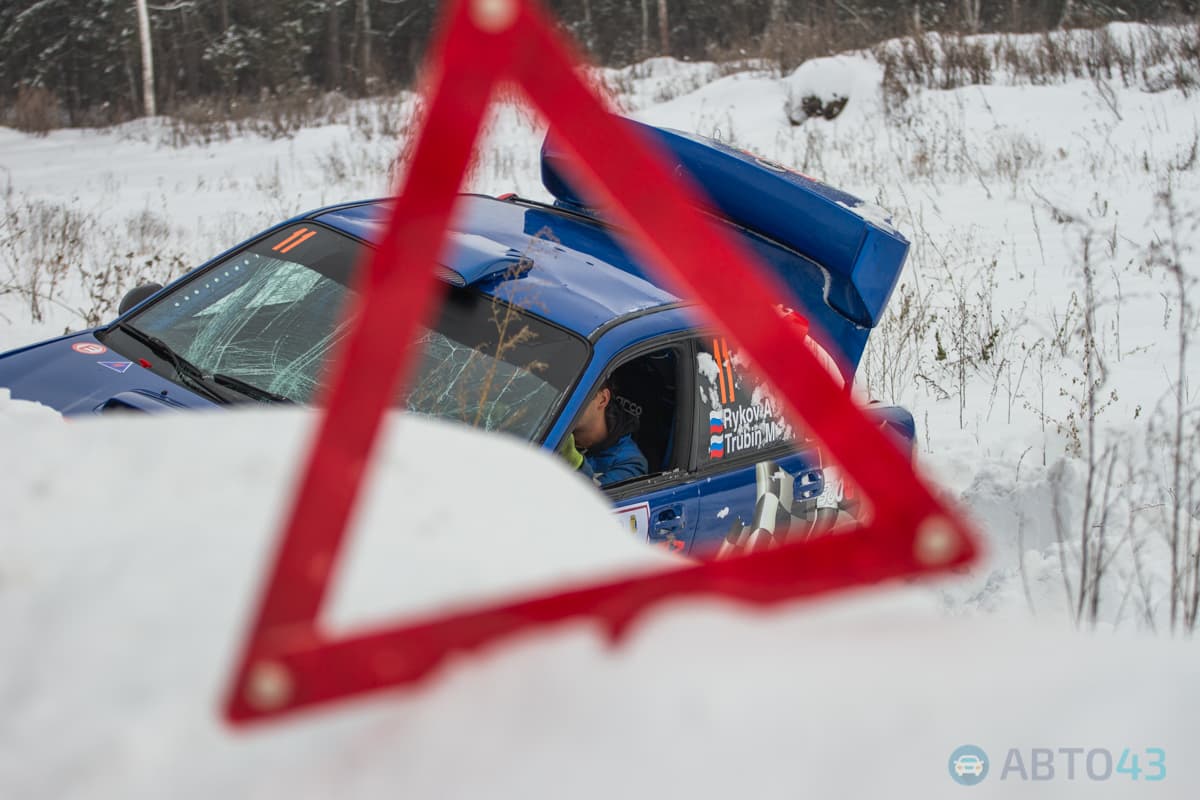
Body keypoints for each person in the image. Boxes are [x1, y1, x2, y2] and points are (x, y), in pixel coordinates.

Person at [559, 376, 648, 487]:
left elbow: (594, 500)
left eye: (575, 397)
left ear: (602, 399)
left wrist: (576, 464)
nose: (563, 404)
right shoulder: (551, 426)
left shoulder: (630, 464)